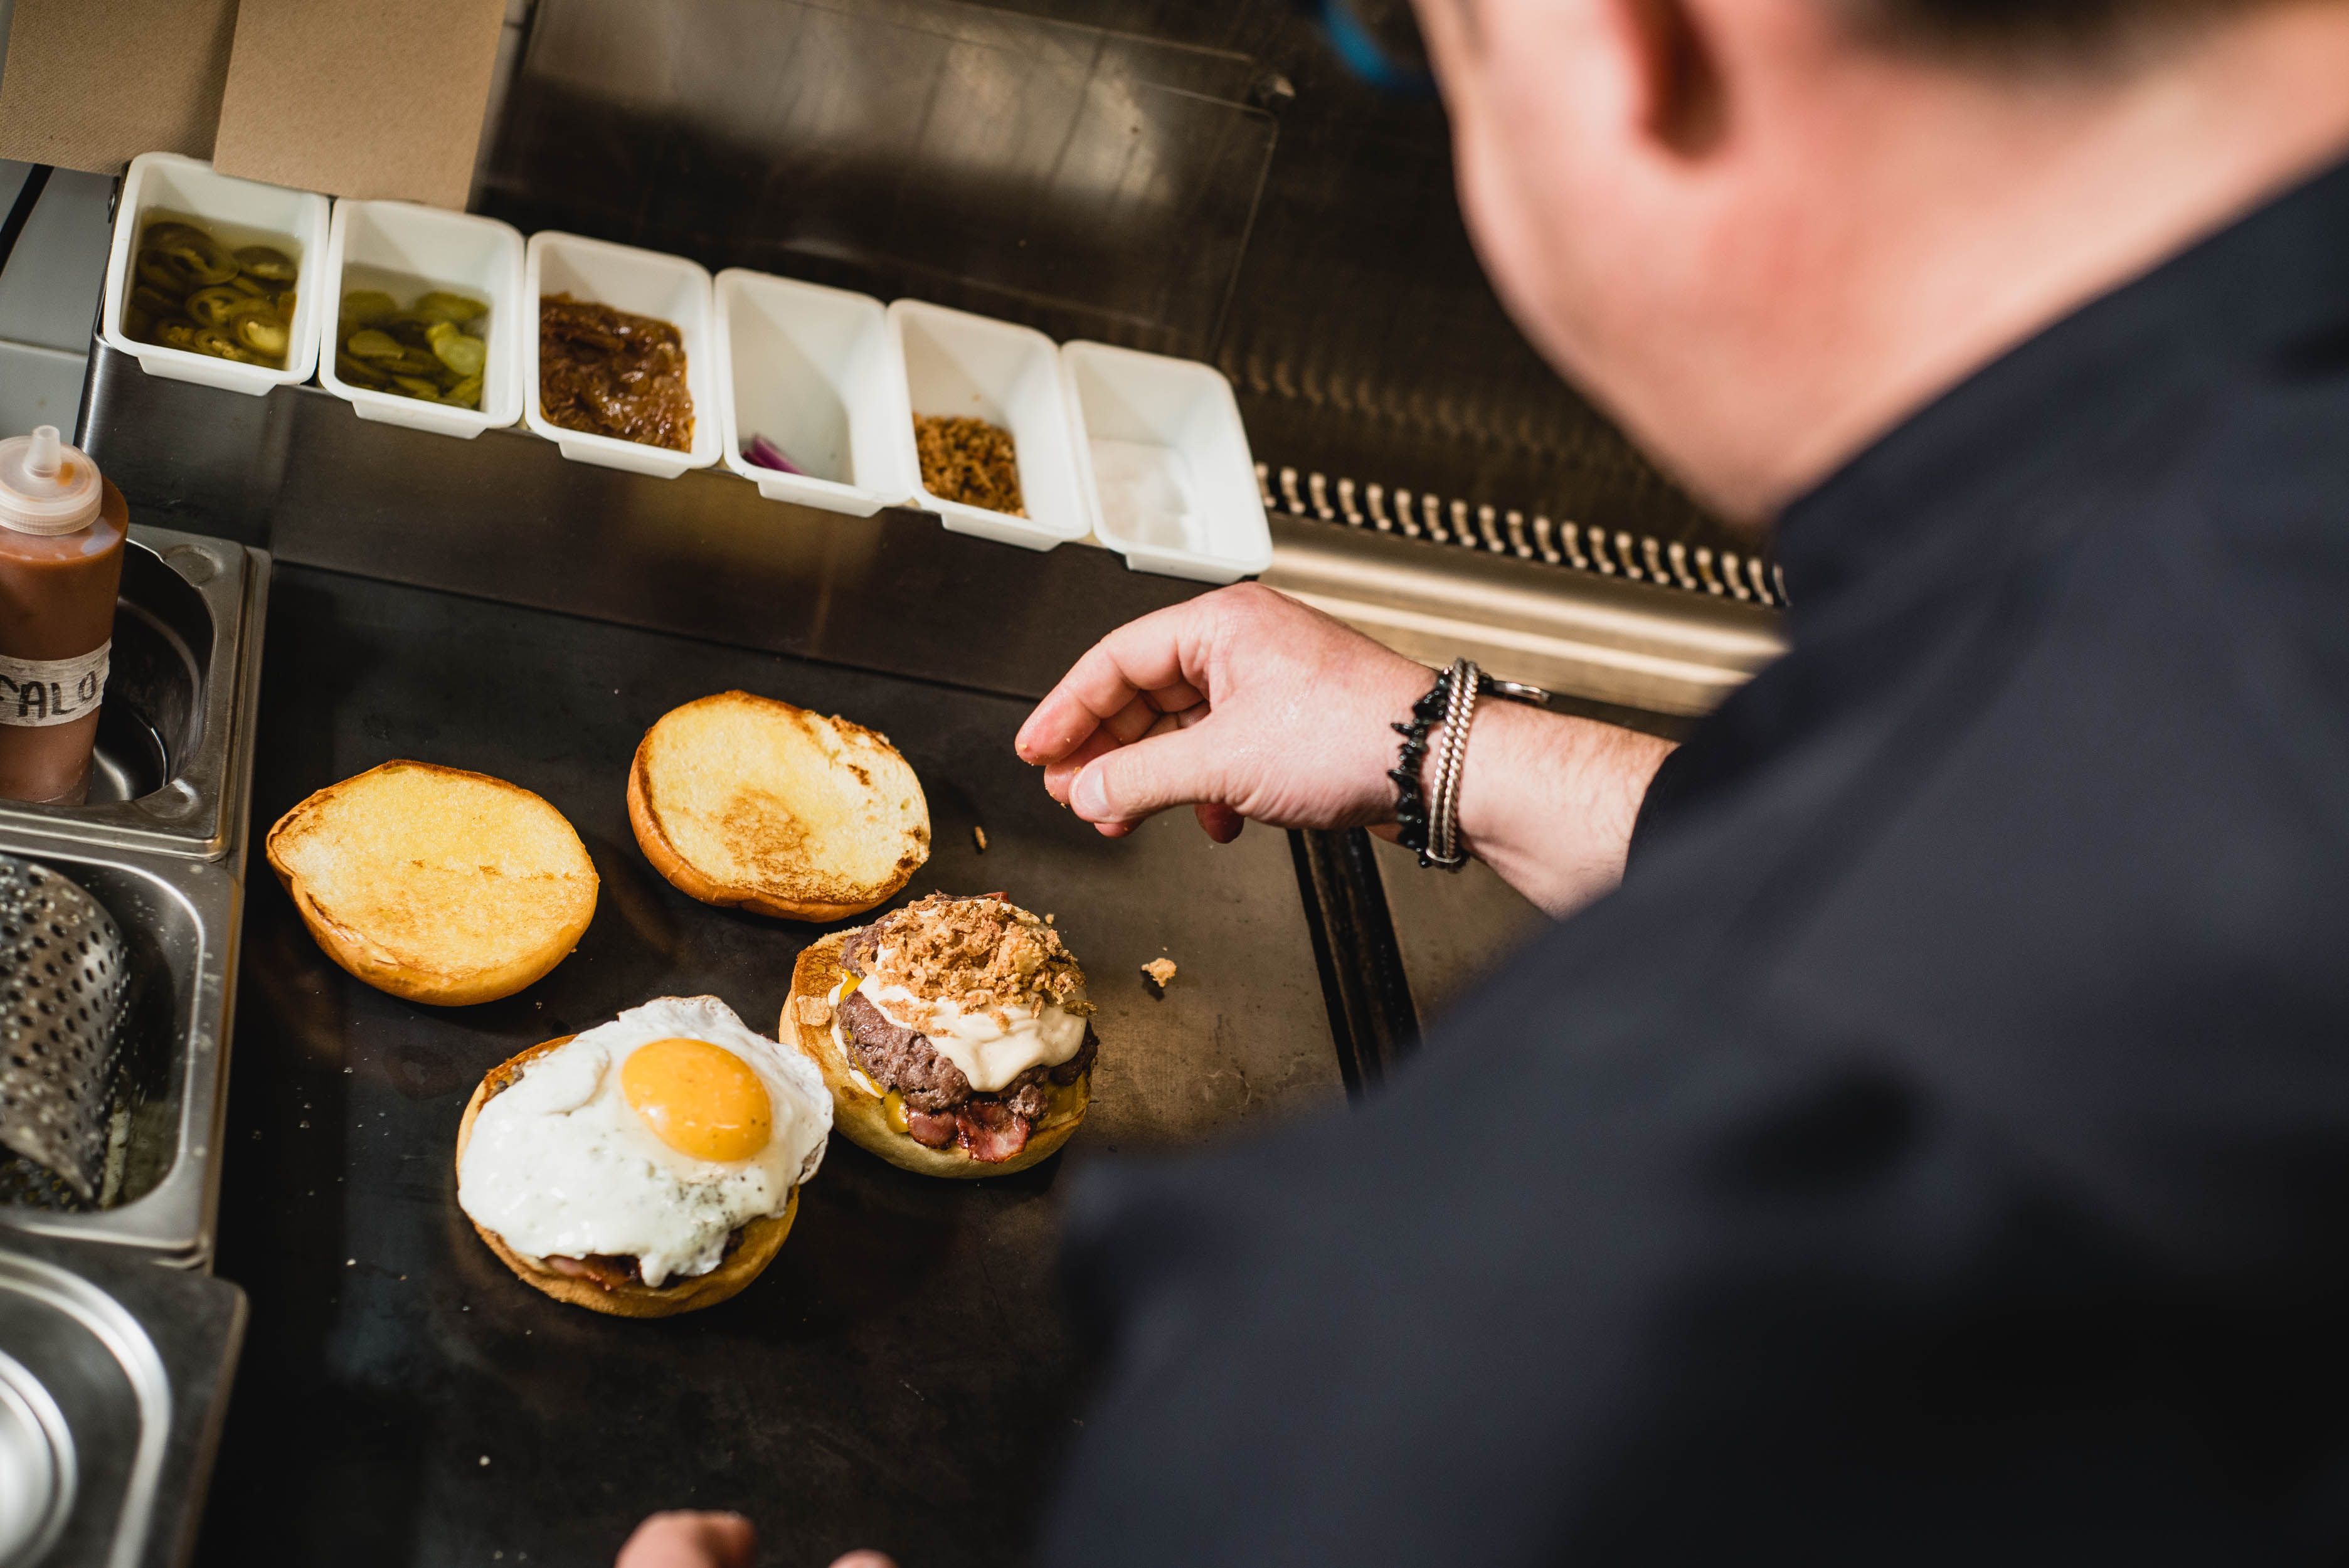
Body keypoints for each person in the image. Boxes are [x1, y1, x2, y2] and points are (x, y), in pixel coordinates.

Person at [628, 0, 2349, 1560]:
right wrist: (1453, 750)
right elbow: (2038, 888)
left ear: (1612, 38)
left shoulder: (1543, 1295)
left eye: (1408, 40)